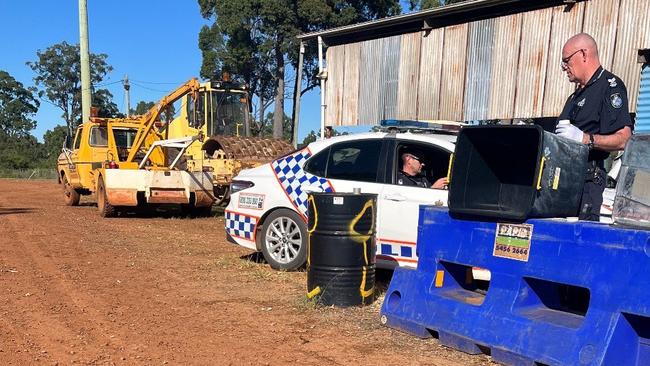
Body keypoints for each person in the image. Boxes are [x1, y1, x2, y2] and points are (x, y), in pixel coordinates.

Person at [555, 33, 633, 221]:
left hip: (588, 183)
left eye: (566, 60)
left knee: (579, 242)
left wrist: (585, 139)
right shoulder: (574, 97)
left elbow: (625, 138)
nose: (564, 67)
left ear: (583, 54)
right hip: (564, 181)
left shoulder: (609, 87)